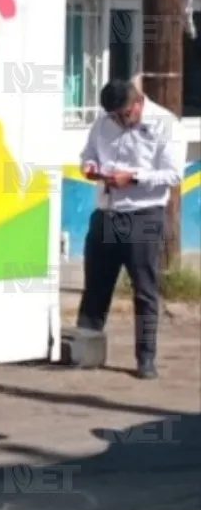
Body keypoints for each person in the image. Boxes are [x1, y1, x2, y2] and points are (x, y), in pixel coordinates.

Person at [77, 77, 185, 379]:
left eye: (124, 114)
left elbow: (173, 174)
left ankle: (146, 359)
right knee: (96, 287)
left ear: (137, 103)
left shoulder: (166, 124)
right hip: (106, 213)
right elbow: (88, 153)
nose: (120, 121)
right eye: (114, 116)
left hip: (143, 216)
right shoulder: (103, 123)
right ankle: (86, 349)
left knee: (145, 291)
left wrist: (133, 177)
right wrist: (88, 166)